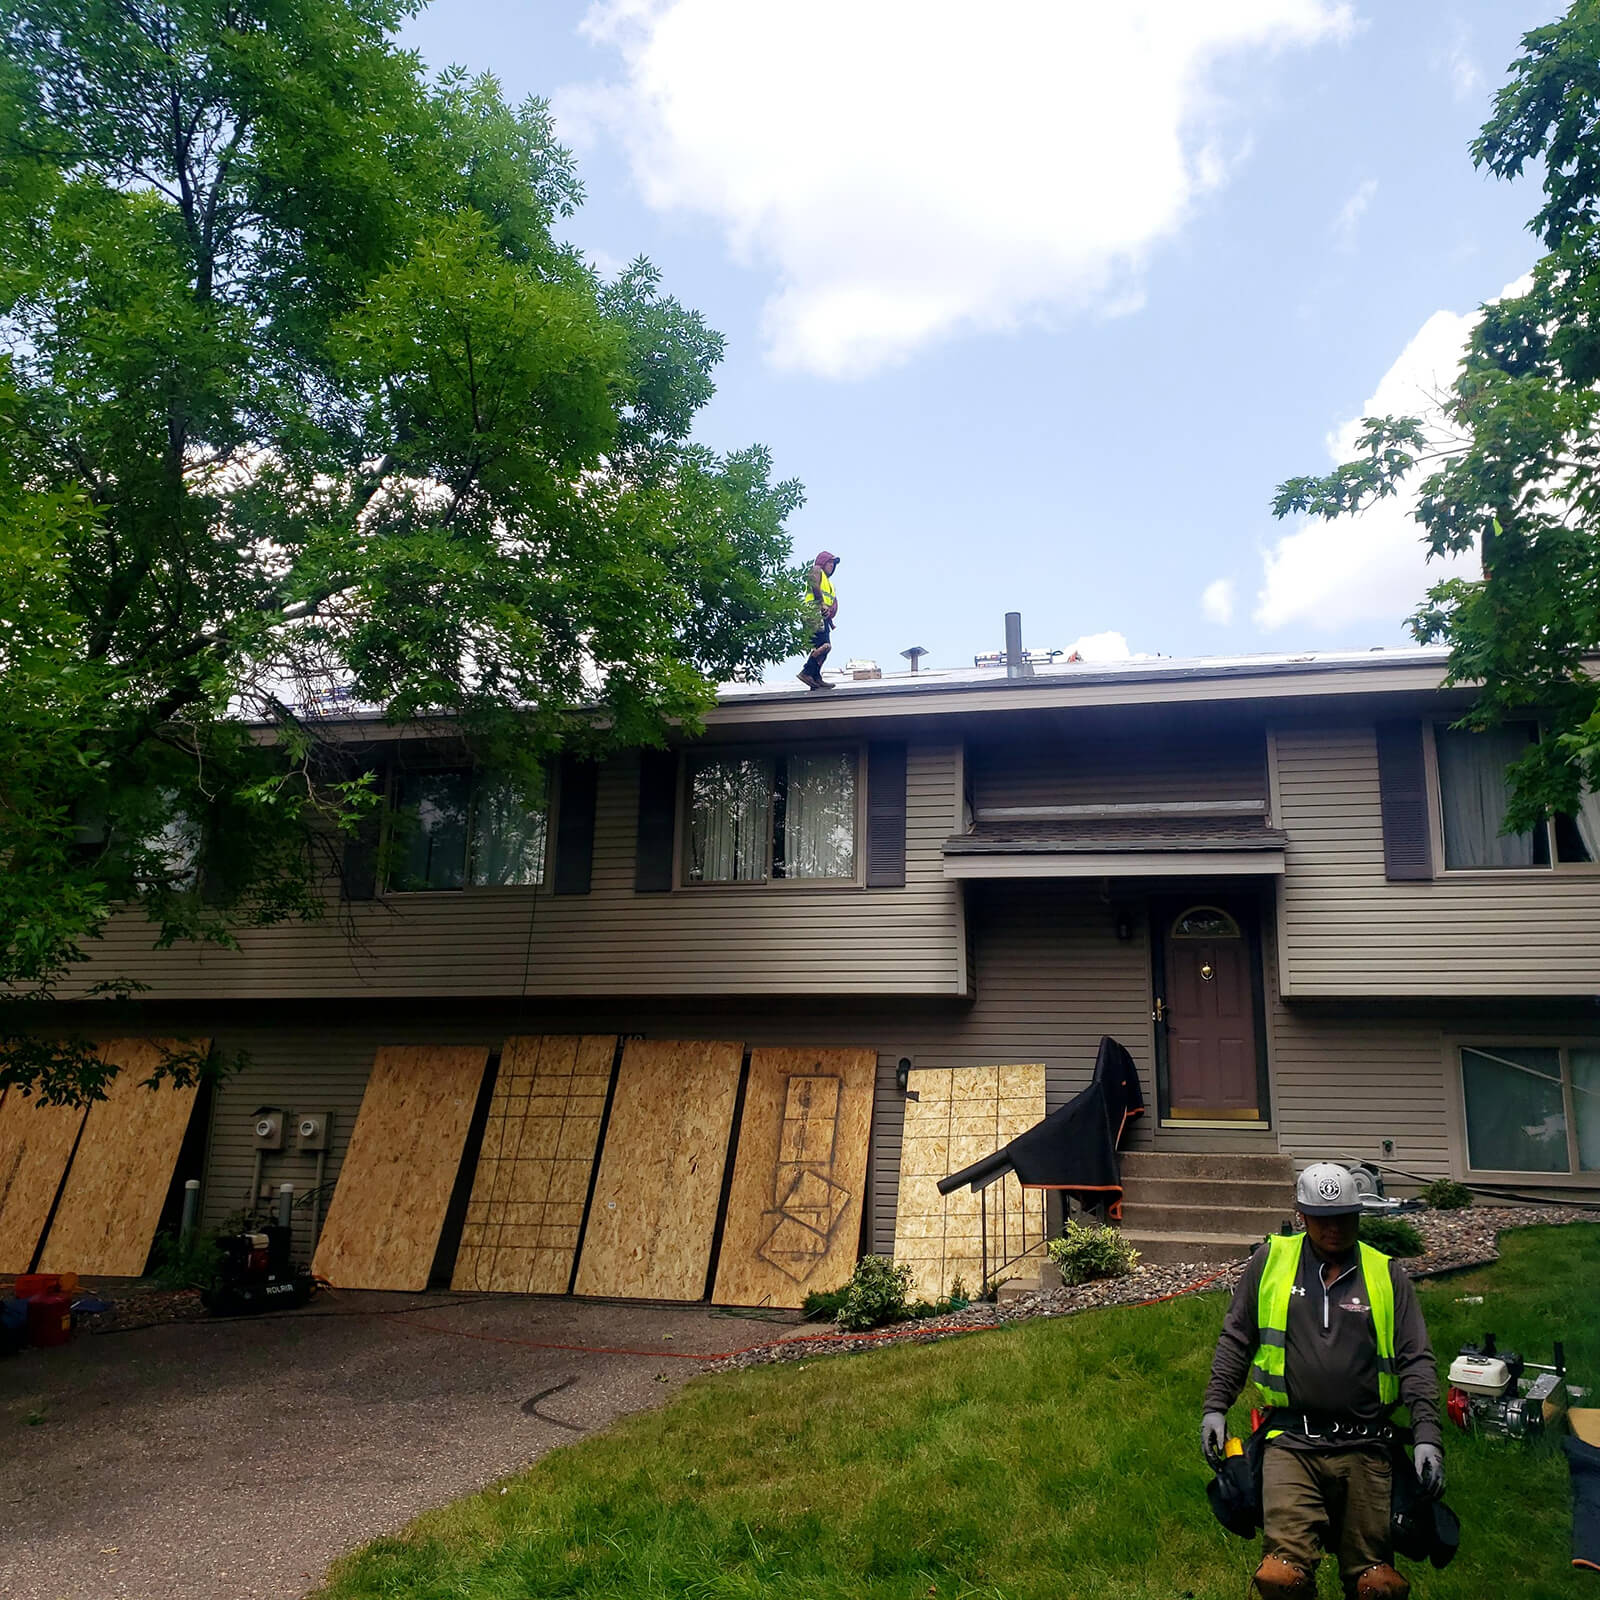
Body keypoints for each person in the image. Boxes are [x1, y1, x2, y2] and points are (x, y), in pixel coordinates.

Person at [1200, 1162, 1444, 1600]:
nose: (1335, 1229)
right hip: (1291, 1441)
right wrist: (1215, 1407)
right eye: (1323, 1219)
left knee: (1376, 1586)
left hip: (1367, 1444)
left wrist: (1427, 1435)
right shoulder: (1269, 1263)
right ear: (1302, 1216)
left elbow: (1417, 1360)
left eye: (1345, 1218)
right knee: (1282, 1578)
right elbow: (1237, 1337)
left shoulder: (1387, 1275)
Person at [798, 550, 839, 689]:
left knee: (825, 647)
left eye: (834, 564)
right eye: (830, 563)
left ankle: (815, 677)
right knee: (824, 645)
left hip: (822, 616)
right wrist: (821, 603)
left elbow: (833, 603)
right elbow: (814, 585)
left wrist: (830, 615)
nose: (832, 566)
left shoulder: (830, 583)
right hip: (813, 612)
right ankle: (806, 672)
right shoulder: (816, 570)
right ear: (823, 562)